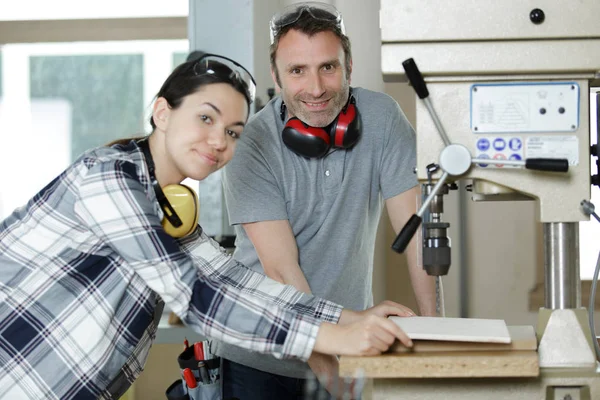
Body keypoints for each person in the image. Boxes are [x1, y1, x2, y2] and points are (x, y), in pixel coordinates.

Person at [0, 53, 414, 400]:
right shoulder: (108, 179)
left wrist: (347, 317)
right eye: (205, 118)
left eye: (233, 131)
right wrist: (327, 339)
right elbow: (195, 295)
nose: (219, 141)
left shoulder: (167, 202)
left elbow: (230, 279)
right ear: (162, 112)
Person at [220, 3, 437, 398]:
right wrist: (335, 379)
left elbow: (417, 230)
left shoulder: (382, 117)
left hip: (347, 345)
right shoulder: (251, 144)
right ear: (277, 76)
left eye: (328, 67)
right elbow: (282, 271)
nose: (316, 89)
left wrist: (436, 332)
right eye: (297, 71)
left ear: (348, 66)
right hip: (258, 355)